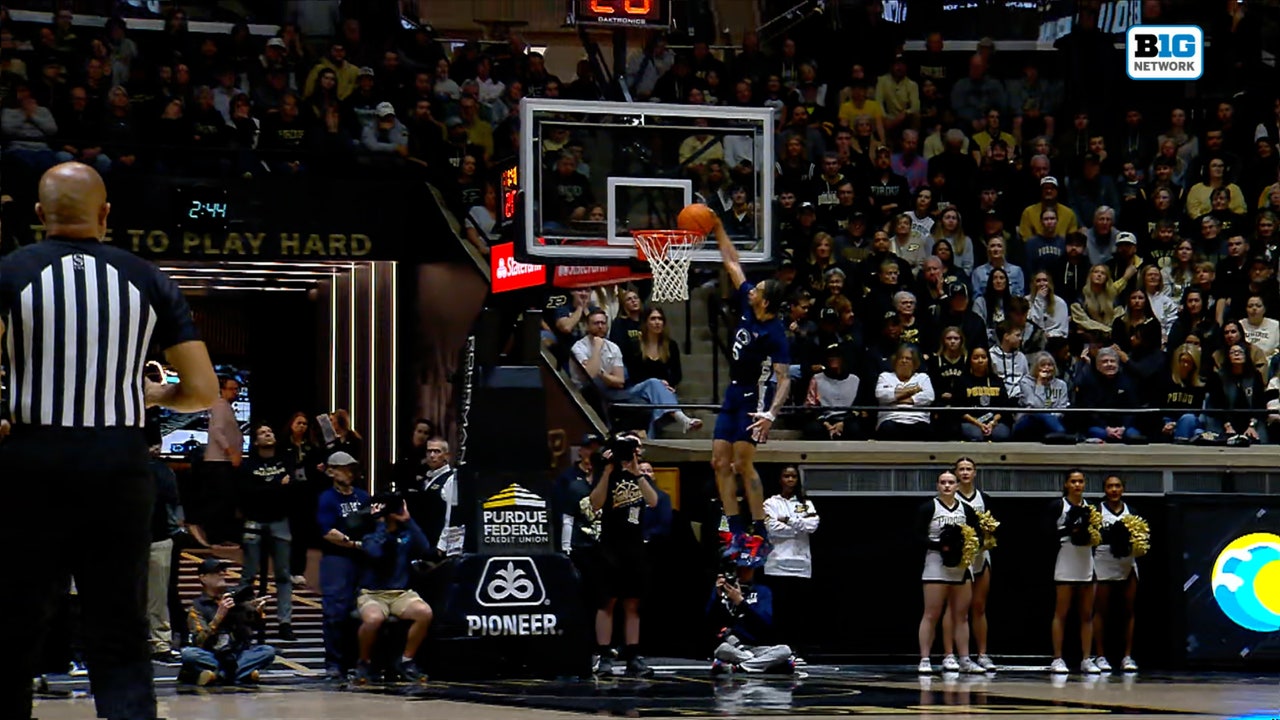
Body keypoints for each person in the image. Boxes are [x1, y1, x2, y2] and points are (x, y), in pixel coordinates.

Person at [1, 163, 219, 720]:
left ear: (37, 215)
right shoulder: (147, 278)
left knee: (16, 621)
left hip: (30, 464)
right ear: (105, 214)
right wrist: (151, 398)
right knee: (120, 628)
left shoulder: (9, 273)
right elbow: (201, 391)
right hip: (119, 467)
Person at [710, 212, 791, 567]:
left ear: (767, 303)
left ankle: (760, 533)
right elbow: (732, 262)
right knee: (718, 462)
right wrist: (716, 227)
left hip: (753, 398)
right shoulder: (748, 301)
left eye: (758, 291)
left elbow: (785, 378)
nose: (752, 289)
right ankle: (736, 530)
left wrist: (771, 415)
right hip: (731, 392)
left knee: (743, 465)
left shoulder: (775, 333)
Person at [589, 434, 659, 677]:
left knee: (633, 603)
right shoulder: (607, 473)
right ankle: (604, 655)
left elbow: (653, 502)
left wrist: (638, 472)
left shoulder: (641, 476)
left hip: (635, 547)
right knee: (607, 602)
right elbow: (595, 504)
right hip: (610, 546)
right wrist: (607, 471)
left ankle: (633, 656)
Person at [352, 495, 434, 685]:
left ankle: (406, 661)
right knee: (374, 619)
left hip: (400, 593)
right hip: (372, 594)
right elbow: (376, 553)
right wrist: (380, 522)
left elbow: (424, 547)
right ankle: (363, 662)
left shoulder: (405, 534)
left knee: (424, 612)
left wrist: (408, 519)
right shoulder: (369, 535)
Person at [916, 470, 983, 674]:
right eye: (943, 482)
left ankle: (963, 658)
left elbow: (977, 535)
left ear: (956, 486)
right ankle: (925, 659)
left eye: (951, 482)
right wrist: (942, 546)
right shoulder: (929, 508)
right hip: (936, 565)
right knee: (931, 614)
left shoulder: (967, 510)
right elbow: (917, 536)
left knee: (961, 616)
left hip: (961, 566)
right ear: (937, 485)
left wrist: (964, 546)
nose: (947, 486)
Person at [316, 451, 372, 680]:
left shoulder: (362, 496)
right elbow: (327, 532)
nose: (349, 473)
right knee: (335, 612)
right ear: (331, 471)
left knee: (358, 611)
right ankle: (334, 663)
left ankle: (356, 661)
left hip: (362, 559)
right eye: (344, 468)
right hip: (336, 560)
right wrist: (354, 543)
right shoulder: (327, 498)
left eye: (352, 468)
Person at [237, 423, 294, 641]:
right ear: (255, 442)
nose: (268, 434)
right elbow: (248, 493)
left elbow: (291, 491)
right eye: (262, 433)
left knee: (283, 574)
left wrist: (269, 489)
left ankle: (284, 622)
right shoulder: (248, 464)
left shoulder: (285, 461)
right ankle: (245, 618)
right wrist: (277, 486)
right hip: (254, 521)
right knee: (248, 575)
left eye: (269, 431)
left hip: (280, 521)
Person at [181, 558, 276, 686]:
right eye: (216, 571)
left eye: (223, 570)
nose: (222, 574)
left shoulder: (235, 598)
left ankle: (217, 675)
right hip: (213, 654)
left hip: (236, 653)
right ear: (203, 578)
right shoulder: (197, 608)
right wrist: (218, 617)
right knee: (189, 654)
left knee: (267, 651)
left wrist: (256, 612)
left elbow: (251, 629)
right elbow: (199, 641)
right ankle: (243, 673)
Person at [941, 458, 996, 671]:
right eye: (961, 469)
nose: (965, 472)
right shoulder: (949, 498)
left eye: (969, 469)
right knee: (954, 609)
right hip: (958, 559)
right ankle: (949, 654)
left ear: (975, 473)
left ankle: (982, 654)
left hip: (981, 555)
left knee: (979, 607)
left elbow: (993, 526)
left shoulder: (984, 498)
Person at [762, 467, 819, 652]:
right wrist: (797, 526)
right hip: (777, 565)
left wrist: (788, 520)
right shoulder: (770, 503)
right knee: (780, 612)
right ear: (780, 479)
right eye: (786, 476)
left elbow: (812, 525)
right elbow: (772, 528)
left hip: (801, 566)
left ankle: (796, 650)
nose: (790, 480)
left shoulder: (804, 503)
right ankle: (777, 649)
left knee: (798, 613)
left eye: (793, 476)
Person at [1050, 469, 1099, 675]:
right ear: (1066, 485)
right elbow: (1046, 532)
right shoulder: (1058, 505)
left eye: (1080, 481)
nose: (1077, 485)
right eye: (1073, 481)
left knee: (1087, 615)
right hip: (1065, 560)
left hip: (1086, 561)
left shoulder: (1091, 508)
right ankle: (1058, 658)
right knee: (1061, 613)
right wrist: (1069, 528)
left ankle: (1087, 658)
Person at [1092, 475, 1140, 673]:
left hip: (1127, 562)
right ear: (1104, 489)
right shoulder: (1097, 511)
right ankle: (1100, 656)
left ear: (1123, 489)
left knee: (1128, 611)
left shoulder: (1132, 512)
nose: (1114, 489)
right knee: (1100, 611)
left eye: (1117, 486)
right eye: (1110, 486)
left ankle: (1127, 656)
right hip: (1103, 561)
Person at [708, 566, 796, 675]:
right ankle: (769, 665)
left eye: (746, 569)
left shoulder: (762, 591)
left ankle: (737, 668)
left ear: (753, 570)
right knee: (722, 649)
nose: (741, 572)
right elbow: (709, 623)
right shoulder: (722, 590)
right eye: (737, 568)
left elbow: (765, 623)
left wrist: (741, 602)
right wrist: (717, 597)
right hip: (734, 647)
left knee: (785, 650)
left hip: (758, 647)